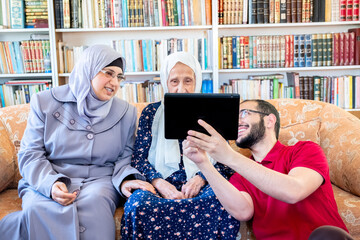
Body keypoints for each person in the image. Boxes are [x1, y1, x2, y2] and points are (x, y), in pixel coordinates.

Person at [0, 45, 155, 240]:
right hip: (49, 176)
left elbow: (125, 157)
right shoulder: (44, 102)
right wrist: (50, 184)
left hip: (100, 181)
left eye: (119, 77)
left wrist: (125, 180)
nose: (114, 82)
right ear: (88, 69)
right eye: (108, 73)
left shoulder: (127, 112)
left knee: (96, 206)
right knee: (39, 208)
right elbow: (31, 153)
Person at [183, 99, 353, 240]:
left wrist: (228, 156)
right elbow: (242, 211)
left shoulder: (305, 150)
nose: (237, 122)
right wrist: (203, 164)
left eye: (244, 113)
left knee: (325, 235)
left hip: (322, 238)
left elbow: (294, 191)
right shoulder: (239, 176)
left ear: (269, 120)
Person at [121, 52, 240, 239]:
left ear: (197, 81)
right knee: (137, 205)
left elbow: (225, 158)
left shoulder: (212, 109)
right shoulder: (151, 113)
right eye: (174, 81)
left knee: (223, 201)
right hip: (159, 185)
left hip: (204, 183)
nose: (181, 89)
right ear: (165, 83)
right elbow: (139, 159)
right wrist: (159, 183)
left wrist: (201, 178)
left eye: (187, 81)